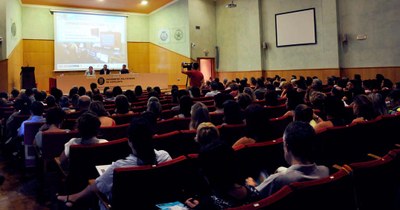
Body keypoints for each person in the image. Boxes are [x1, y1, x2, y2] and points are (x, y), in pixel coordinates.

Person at [56, 116, 171, 209]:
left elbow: (98, 187)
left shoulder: (120, 167)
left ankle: (73, 197)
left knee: (95, 185)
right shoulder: (165, 157)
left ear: (130, 141)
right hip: (155, 205)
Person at [249, 121, 329, 198]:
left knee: (262, 173)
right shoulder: (325, 171)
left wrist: (252, 185)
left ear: (287, 147)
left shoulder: (277, 180)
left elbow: (253, 196)